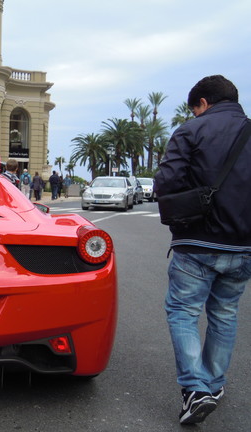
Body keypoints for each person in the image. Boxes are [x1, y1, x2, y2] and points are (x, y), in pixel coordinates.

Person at [154, 75, 251, 425]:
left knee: (183, 311)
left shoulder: (191, 131)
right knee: (225, 314)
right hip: (243, 244)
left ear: (203, 103)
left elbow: (166, 182)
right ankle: (213, 383)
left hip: (197, 240)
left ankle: (196, 389)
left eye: (195, 109)